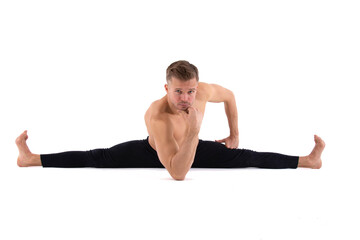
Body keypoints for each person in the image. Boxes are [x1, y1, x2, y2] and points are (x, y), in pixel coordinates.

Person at [16, 60, 325, 180]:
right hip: (154, 152)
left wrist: (234, 134)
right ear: (167, 89)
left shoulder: (203, 92)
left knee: (249, 158)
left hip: (193, 148)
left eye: (190, 91)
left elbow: (230, 96)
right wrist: (193, 131)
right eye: (178, 92)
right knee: (97, 157)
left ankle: (308, 161)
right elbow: (177, 173)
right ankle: (30, 158)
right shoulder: (158, 115)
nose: (186, 99)